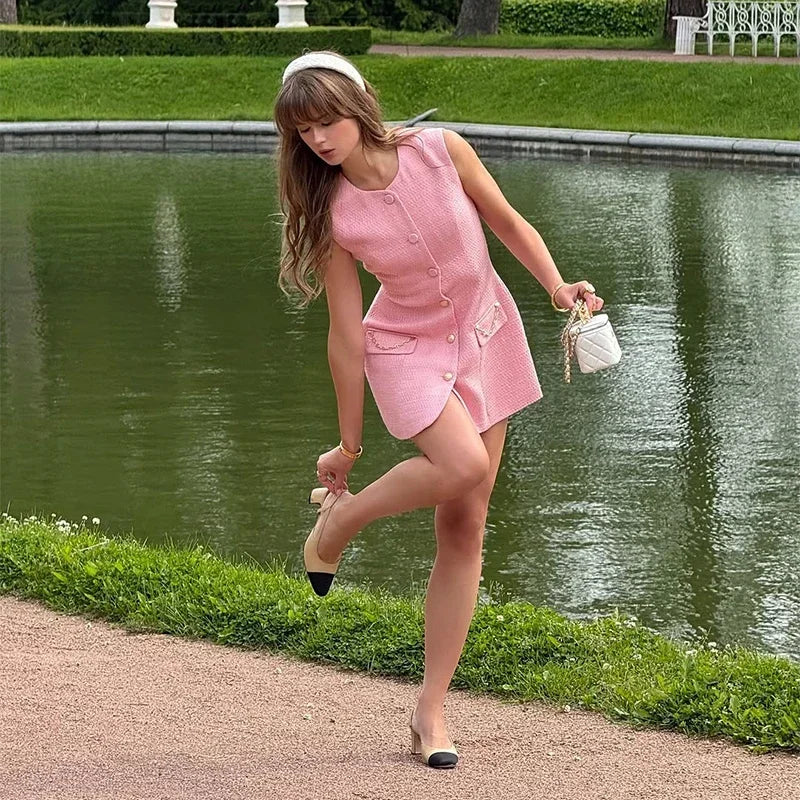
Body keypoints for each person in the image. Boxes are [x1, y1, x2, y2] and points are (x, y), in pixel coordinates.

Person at [273, 50, 604, 769]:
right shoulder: (330, 209)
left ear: (359, 106)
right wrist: (348, 447)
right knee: (459, 465)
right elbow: (344, 333)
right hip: (405, 348)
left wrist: (554, 287)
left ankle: (430, 711)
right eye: (303, 131)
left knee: (466, 523)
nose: (320, 139)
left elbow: (508, 224)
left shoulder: (440, 149)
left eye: (327, 120)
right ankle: (343, 520)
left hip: (489, 335)